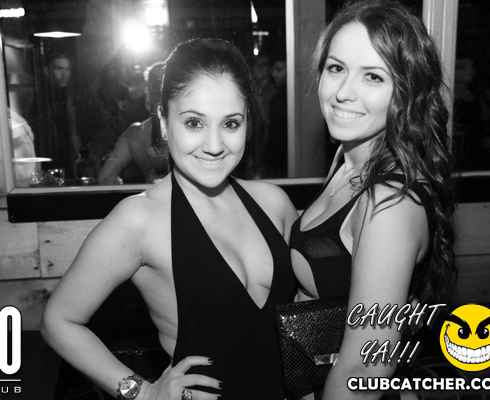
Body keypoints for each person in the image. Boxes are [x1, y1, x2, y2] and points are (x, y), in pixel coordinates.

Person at [41, 38, 298, 400]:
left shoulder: (274, 204)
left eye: (230, 123)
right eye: (194, 122)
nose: (214, 145)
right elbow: (58, 321)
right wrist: (143, 393)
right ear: (163, 122)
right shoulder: (138, 220)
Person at [289, 1, 456, 399]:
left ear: (407, 91)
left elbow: (366, 367)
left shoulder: (390, 202)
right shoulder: (347, 160)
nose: (343, 93)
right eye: (336, 68)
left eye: (373, 76)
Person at [98, 62, 169, 185]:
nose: (145, 91)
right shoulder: (193, 129)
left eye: (147, 87)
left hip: (152, 196)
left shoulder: (135, 134)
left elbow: (105, 179)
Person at [39, 52, 81, 179]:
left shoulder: (68, 95)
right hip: (50, 160)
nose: (64, 74)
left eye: (67, 69)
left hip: (67, 157)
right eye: (59, 69)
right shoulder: (42, 98)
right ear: (47, 71)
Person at [264, 58, 288, 178]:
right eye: (273, 70)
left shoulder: (287, 100)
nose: (273, 74)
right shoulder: (276, 98)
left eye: (279, 70)